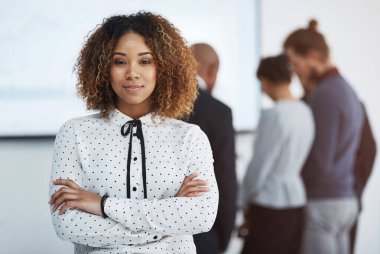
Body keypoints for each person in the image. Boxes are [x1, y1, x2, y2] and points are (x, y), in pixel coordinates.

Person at [48, 12, 219, 254]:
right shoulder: (75, 133)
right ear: (102, 68)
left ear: (164, 67)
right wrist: (166, 221)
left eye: (145, 61)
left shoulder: (190, 137)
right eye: (119, 61)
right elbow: (68, 225)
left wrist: (102, 205)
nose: (132, 72)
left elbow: (201, 216)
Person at [284, 20, 364, 254]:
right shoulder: (347, 89)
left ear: (312, 56)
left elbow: (320, 161)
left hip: (324, 203)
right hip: (345, 201)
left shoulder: (325, 95)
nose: (295, 71)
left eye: (295, 63)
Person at [239, 54, 315, 254]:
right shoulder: (305, 111)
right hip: (297, 201)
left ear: (264, 81)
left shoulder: (275, 115)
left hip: (269, 204)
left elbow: (260, 166)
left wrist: (243, 201)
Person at [189, 43, 237, 254]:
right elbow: (225, 177)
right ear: (212, 71)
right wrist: (225, 236)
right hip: (203, 234)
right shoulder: (219, 112)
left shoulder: (156, 106)